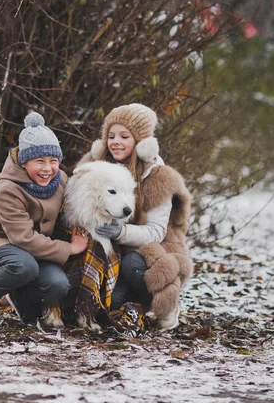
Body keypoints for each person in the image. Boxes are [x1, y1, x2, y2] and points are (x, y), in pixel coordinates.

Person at [0, 112, 88, 325]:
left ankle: (19, 296)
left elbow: (73, 208)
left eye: (53, 161)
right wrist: (70, 249)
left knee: (58, 284)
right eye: (39, 161)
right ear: (24, 162)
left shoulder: (61, 180)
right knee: (23, 266)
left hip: (35, 249)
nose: (47, 169)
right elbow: (23, 239)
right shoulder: (8, 190)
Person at [76, 103, 193, 331]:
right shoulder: (95, 166)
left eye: (124, 136)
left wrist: (121, 232)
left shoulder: (158, 177)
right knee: (112, 306)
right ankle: (127, 304)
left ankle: (165, 305)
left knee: (132, 265)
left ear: (141, 143)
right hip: (107, 250)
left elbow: (156, 231)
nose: (116, 142)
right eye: (111, 136)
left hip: (146, 249)